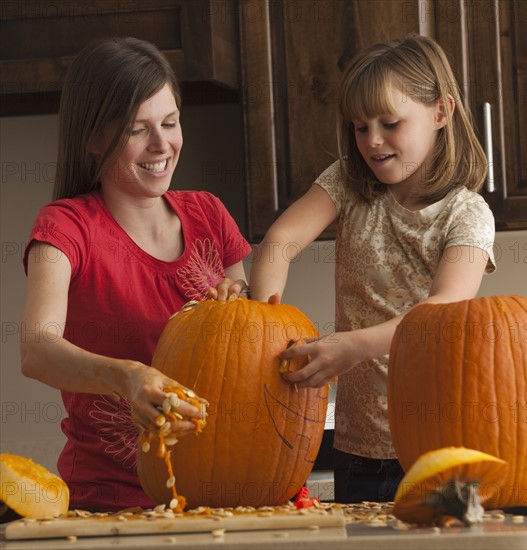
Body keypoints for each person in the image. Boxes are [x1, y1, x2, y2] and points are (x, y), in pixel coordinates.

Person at [248, 35, 496, 503]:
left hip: (440, 448)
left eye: (390, 122)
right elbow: (281, 241)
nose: (372, 140)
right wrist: (258, 319)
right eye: (360, 127)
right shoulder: (347, 183)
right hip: (359, 450)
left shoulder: (467, 214)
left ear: (440, 113)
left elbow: (444, 307)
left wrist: (353, 347)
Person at [20, 37, 251, 512]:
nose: (162, 144)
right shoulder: (64, 228)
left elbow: (249, 347)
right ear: (93, 138)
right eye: (137, 129)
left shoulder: (210, 214)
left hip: (223, 495)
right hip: (110, 505)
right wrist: (128, 378)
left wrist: (241, 305)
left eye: (170, 123)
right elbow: (36, 349)